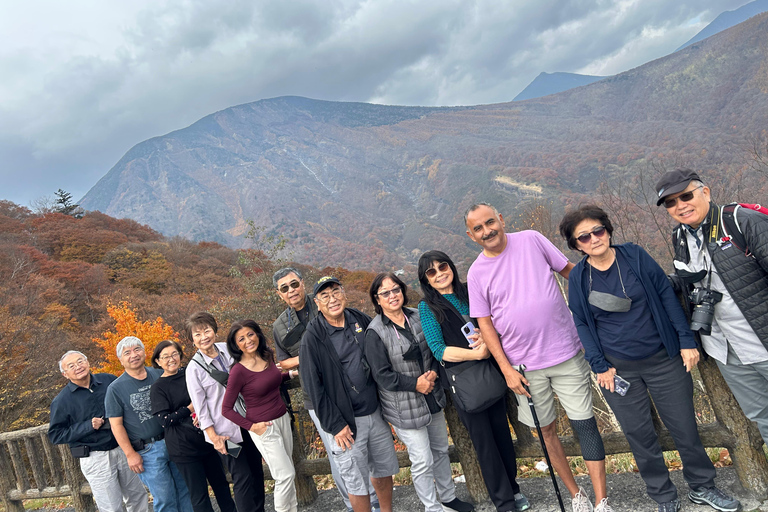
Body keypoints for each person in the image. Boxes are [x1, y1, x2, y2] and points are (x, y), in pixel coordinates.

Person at [560, 204, 739, 512]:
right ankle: (664, 496)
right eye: (584, 237)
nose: (594, 239)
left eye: (598, 231)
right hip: (618, 369)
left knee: (685, 427)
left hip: (663, 359)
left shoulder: (634, 256)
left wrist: (685, 340)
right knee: (640, 436)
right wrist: (600, 366)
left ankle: (702, 486)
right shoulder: (579, 279)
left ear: (608, 230)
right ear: (576, 245)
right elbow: (581, 322)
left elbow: (666, 296)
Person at [464, 202, 611, 512]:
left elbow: (571, 271)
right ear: (471, 235)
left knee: (585, 425)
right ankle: (576, 495)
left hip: (566, 353)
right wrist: (506, 370)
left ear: (501, 219)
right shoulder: (476, 272)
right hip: (523, 367)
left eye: (490, 222)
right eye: (478, 228)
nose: (487, 230)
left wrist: (603, 298)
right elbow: (485, 324)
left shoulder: (531, 239)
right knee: (545, 432)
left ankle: (601, 500)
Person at [655, 168, 768, 446]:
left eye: (686, 196)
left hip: (760, 338)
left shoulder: (742, 222)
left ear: (705, 192)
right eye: (671, 202)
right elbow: (689, 281)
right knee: (762, 416)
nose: (680, 206)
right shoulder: (679, 237)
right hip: (725, 348)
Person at [417, 251, 528, 512]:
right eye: (431, 272)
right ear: (426, 280)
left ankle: (513, 488)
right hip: (465, 381)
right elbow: (438, 349)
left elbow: (494, 321)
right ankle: (504, 501)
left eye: (442, 266)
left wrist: (490, 344)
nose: (439, 273)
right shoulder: (428, 306)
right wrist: (478, 353)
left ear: (451, 266)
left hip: (492, 373)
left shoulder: (469, 292)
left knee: (502, 434)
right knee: (484, 443)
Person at [365, 272, 475, 512]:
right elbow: (382, 375)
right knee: (422, 460)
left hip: (431, 396)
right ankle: (431, 506)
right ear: (377, 299)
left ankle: (448, 497)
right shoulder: (375, 332)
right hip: (403, 406)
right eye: (385, 293)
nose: (392, 296)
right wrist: (415, 384)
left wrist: (433, 373)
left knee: (440, 451)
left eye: (396, 290)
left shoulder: (417, 315)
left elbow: (436, 346)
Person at [271, 267, 378, 512]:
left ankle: (373, 501)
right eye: (285, 288)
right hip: (318, 398)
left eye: (294, 284)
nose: (292, 291)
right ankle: (351, 504)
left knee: (366, 449)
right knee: (339, 454)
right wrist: (309, 358)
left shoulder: (324, 301)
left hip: (357, 392)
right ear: (279, 295)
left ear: (303, 284)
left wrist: (307, 358)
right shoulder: (280, 326)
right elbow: (283, 363)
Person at [300, 276, 400, 512]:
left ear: (344, 294)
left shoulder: (359, 319)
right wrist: (335, 425)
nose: (332, 299)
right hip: (345, 422)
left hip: (375, 411)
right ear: (317, 302)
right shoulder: (312, 338)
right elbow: (313, 387)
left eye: (336, 292)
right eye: (325, 296)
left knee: (383, 470)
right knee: (356, 481)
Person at [184, 312, 267, 512]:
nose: (203, 337)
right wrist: (213, 436)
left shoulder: (228, 349)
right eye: (197, 334)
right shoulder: (193, 369)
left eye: (206, 330)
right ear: (192, 339)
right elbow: (200, 407)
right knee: (242, 477)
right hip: (224, 431)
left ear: (214, 330)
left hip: (248, 422)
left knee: (257, 472)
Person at [48, 351, 148, 512]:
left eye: (80, 361)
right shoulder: (62, 401)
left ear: (87, 362)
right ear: (65, 374)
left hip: (123, 449)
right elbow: (56, 435)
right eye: (71, 366)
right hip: (96, 457)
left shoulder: (108, 380)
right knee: (111, 507)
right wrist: (88, 426)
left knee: (137, 496)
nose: (78, 367)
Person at [105, 336, 192, 512]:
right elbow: (116, 425)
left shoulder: (160, 374)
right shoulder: (115, 389)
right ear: (120, 360)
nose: (134, 355)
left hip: (175, 440)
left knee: (185, 491)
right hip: (147, 450)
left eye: (137, 349)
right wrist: (130, 454)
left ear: (145, 352)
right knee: (164, 498)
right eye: (127, 353)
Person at [221, 319, 299, 512]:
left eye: (250, 334)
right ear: (236, 345)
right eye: (241, 339)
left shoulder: (266, 355)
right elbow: (226, 409)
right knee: (284, 475)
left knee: (290, 471)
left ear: (257, 334)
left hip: (283, 419)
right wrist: (252, 427)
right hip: (263, 427)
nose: (248, 340)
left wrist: (288, 375)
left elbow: (268, 380)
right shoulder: (238, 371)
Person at [150, 340, 236, 512]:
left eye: (174, 354)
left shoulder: (191, 372)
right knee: (199, 495)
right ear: (158, 362)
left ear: (180, 355)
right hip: (183, 448)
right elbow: (165, 420)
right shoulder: (158, 387)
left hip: (207, 439)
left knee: (222, 486)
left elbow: (210, 397)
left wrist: (201, 414)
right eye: (165, 357)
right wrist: (189, 409)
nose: (171, 359)